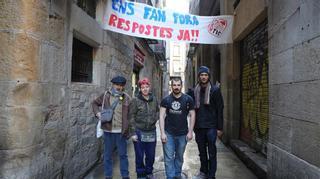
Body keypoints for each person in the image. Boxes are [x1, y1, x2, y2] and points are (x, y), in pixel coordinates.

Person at [92, 75, 131, 179]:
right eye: (117, 85)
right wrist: (97, 114)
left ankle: (125, 175)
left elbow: (130, 116)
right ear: (113, 84)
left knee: (123, 155)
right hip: (108, 131)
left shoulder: (127, 98)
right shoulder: (106, 95)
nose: (119, 87)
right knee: (108, 156)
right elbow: (95, 103)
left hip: (121, 132)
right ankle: (108, 176)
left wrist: (129, 130)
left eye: (121, 85)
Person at [190, 66, 224, 179]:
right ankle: (203, 172)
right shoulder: (194, 91)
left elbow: (220, 109)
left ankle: (211, 175)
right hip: (199, 126)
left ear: (208, 76)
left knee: (212, 152)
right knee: (202, 152)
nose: (204, 77)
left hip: (211, 127)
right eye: (201, 75)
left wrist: (220, 128)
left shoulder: (215, 90)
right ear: (199, 77)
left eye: (206, 75)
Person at [159, 77, 196, 179]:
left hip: (182, 134)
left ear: (181, 86)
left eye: (178, 85)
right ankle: (170, 177)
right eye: (174, 85)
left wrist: (190, 131)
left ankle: (177, 175)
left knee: (179, 157)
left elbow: (192, 114)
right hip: (169, 133)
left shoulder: (188, 99)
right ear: (171, 86)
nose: (176, 87)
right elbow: (161, 116)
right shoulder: (166, 100)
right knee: (169, 158)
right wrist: (162, 133)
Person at [128, 78, 159, 179]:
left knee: (150, 155)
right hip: (139, 131)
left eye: (146, 87)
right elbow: (131, 116)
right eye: (142, 87)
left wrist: (155, 118)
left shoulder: (154, 99)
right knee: (139, 155)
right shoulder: (135, 100)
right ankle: (141, 174)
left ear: (149, 88)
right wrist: (133, 133)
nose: (145, 89)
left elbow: (158, 111)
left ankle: (149, 172)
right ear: (140, 89)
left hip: (151, 131)